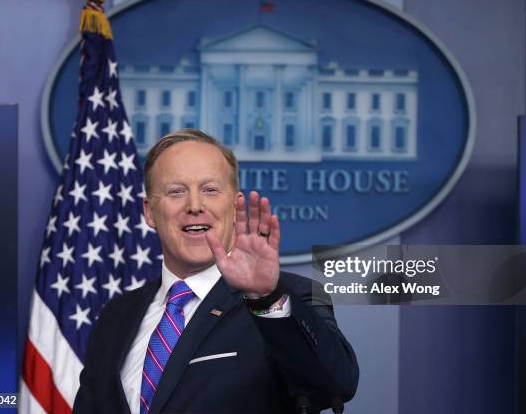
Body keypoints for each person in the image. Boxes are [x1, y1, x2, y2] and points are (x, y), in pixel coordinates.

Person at [73, 129, 359, 414]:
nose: (195, 206)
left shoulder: (286, 298)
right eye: (176, 191)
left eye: (210, 190)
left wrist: (263, 297)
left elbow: (335, 386)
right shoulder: (117, 314)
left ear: (235, 207)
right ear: (149, 212)